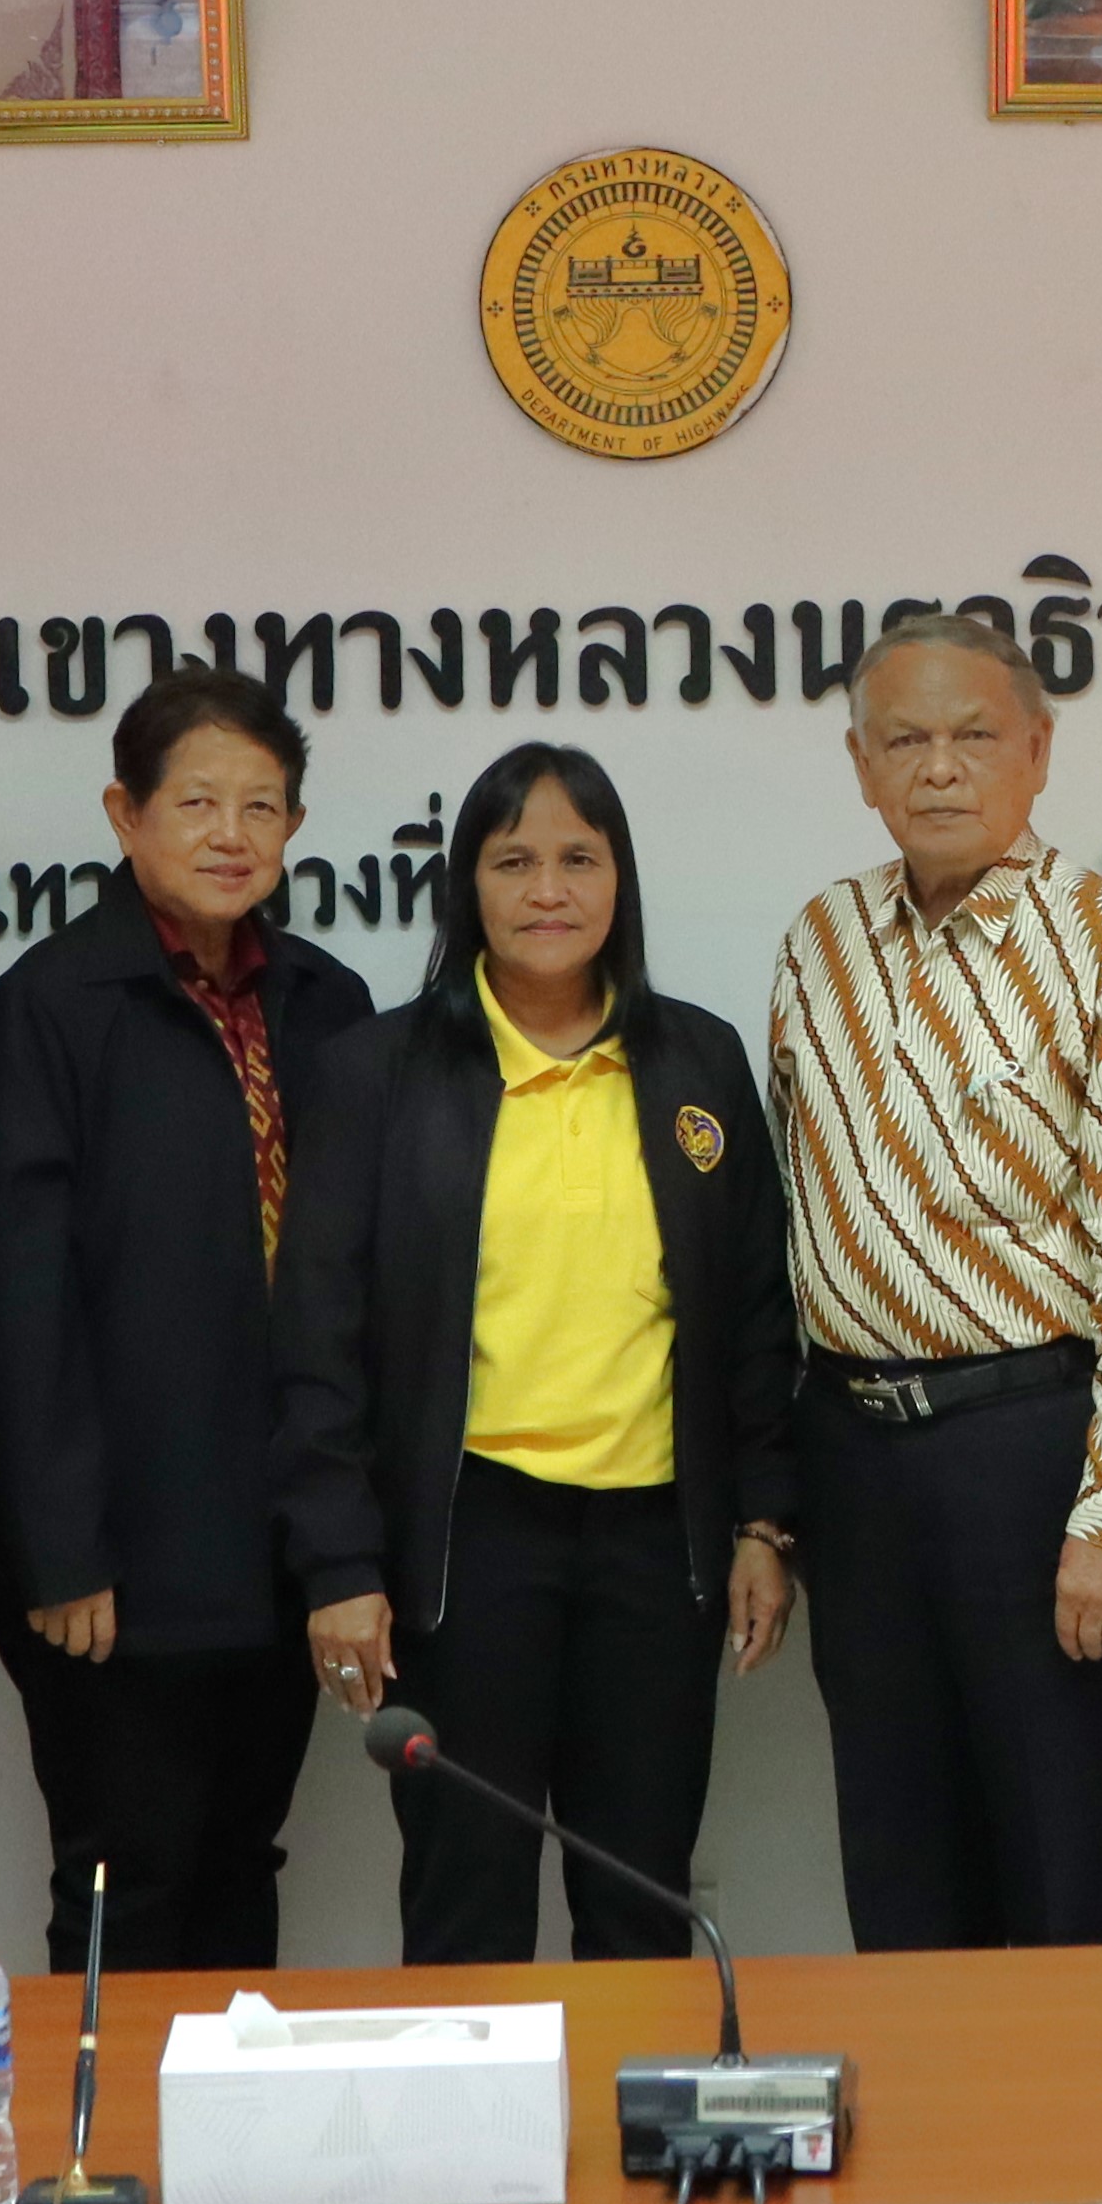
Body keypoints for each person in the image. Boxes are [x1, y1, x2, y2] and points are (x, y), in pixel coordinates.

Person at [277, 745, 799, 1962]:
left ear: (621, 879)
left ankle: (635, 2100)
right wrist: (337, 1560)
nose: (547, 889)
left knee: (639, 1895)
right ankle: (475, 2102)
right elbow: (316, 1338)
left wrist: (764, 1524)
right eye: (513, 861)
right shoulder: (377, 1072)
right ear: (468, 883)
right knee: (466, 1894)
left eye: (578, 858)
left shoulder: (696, 1059)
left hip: (655, 1549)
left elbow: (753, 1315)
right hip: (467, 1549)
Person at [762, 611, 1102, 1949]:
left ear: (1037, 748)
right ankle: (927, 2097)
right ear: (860, 762)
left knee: (1059, 1853)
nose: (939, 767)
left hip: (1026, 1451)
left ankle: (1078, 2101)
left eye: (973, 734)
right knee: (895, 1852)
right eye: (904, 738)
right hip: (853, 1455)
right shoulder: (819, 942)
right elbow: (793, 1219)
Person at [0, 665, 374, 1970]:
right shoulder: (44, 1008)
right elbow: (17, 1300)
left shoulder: (328, 1004)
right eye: (196, 800)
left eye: (261, 803)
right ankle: (102, 2108)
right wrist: (60, 1550)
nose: (230, 833)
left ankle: (221, 2110)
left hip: (274, 1541)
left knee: (243, 1859)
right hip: (116, 1560)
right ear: (124, 812)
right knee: (122, 1874)